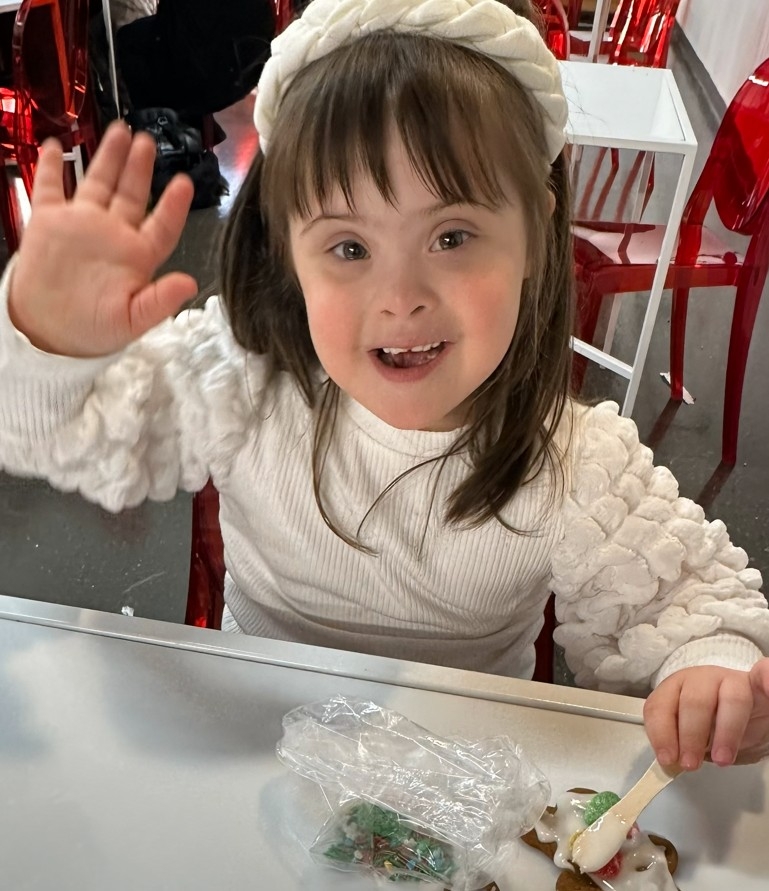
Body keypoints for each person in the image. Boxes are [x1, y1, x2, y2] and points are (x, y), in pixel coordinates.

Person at [1, 0, 768, 775]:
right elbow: (61, 437)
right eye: (347, 245)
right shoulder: (238, 379)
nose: (400, 296)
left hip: (465, 786)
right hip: (256, 757)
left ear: (536, 231)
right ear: (286, 249)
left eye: (451, 236)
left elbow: (692, 604)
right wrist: (49, 342)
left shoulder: (576, 461)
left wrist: (713, 672)